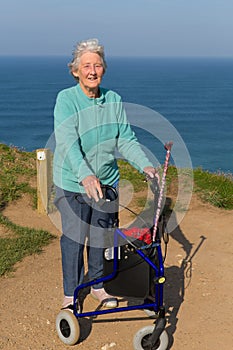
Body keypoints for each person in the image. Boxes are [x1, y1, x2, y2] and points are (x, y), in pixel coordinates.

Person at [53, 38, 158, 310]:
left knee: (101, 236)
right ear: (75, 70)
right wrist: (85, 176)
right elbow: (67, 143)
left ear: (104, 69)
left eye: (97, 65)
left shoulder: (113, 99)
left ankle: (98, 285)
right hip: (73, 183)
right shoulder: (66, 100)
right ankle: (71, 293)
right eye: (86, 65)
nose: (92, 71)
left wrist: (144, 165)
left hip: (107, 183)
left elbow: (126, 140)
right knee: (75, 237)